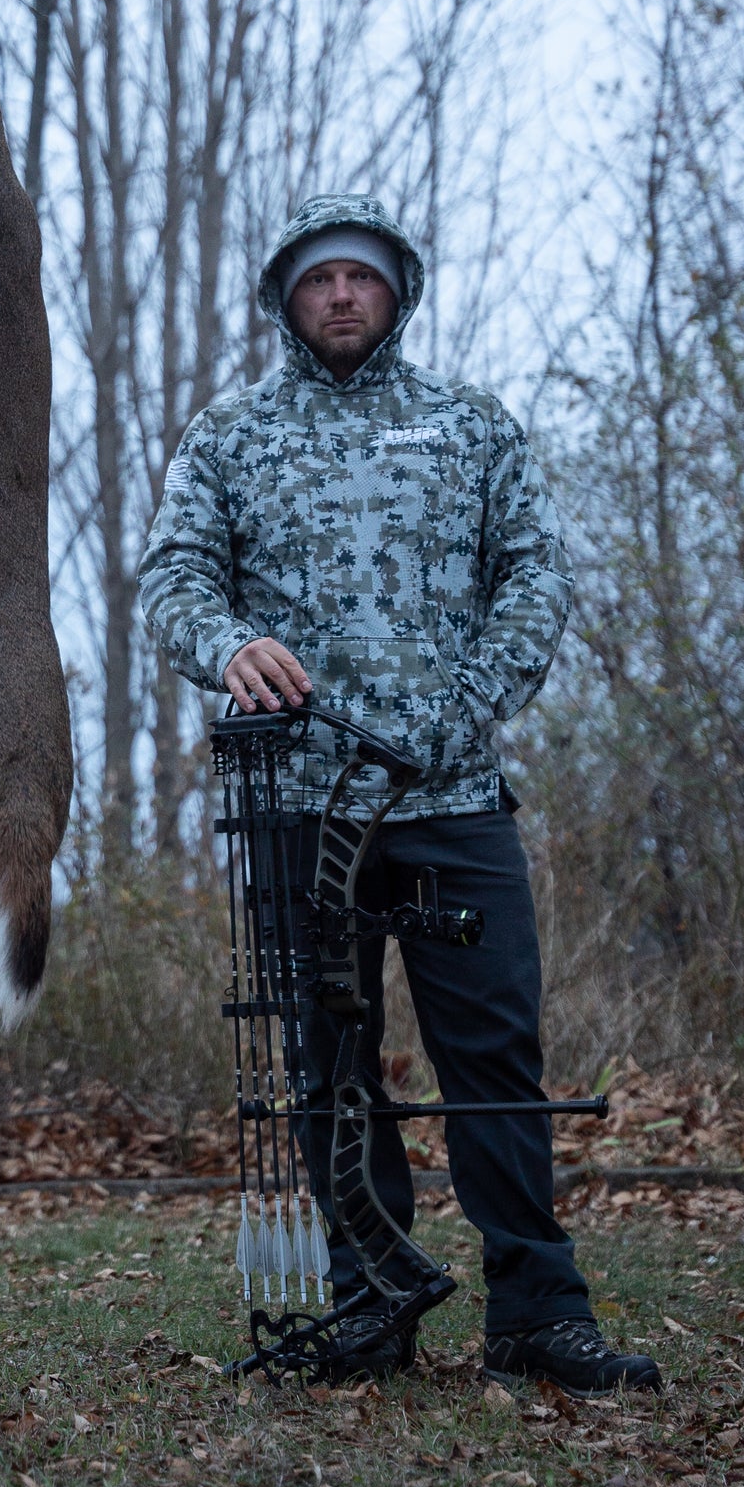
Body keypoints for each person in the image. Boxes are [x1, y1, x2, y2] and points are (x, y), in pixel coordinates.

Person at [137, 193, 660, 1397]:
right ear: (285, 297)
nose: (338, 296)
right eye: (316, 279)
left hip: (450, 802)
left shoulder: (471, 427)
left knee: (495, 1057)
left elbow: (533, 576)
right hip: (295, 807)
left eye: (359, 278)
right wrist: (224, 644)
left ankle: (536, 1312)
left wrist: (460, 705)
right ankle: (368, 1296)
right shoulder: (228, 436)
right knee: (323, 1061)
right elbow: (171, 574)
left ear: (394, 293)